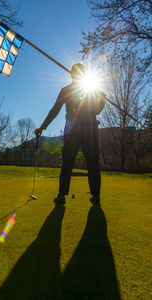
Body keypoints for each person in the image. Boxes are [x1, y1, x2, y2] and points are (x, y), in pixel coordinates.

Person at [35, 63, 106, 206]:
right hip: (88, 130)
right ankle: (95, 197)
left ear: (72, 74)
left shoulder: (70, 90)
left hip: (76, 130)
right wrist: (102, 100)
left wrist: (43, 127)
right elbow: (96, 110)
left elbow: (55, 110)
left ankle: (62, 196)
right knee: (90, 163)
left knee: (69, 163)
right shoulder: (89, 90)